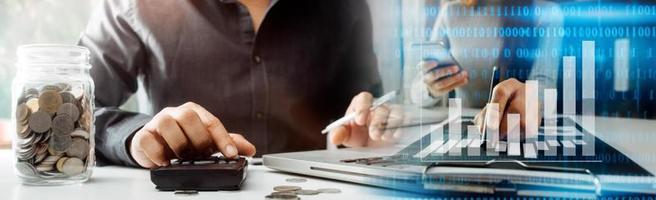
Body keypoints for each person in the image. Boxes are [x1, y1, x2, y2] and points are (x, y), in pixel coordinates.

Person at [80, 0, 395, 168]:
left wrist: (364, 135)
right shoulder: (134, 5)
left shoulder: (347, 6)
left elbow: (366, 104)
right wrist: (135, 136)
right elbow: (77, 113)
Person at [411, 0, 563, 136]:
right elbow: (417, 93)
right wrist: (430, 88)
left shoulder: (546, 13)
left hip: (515, 131)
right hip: (462, 129)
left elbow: (544, 84)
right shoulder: (450, 12)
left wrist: (530, 100)